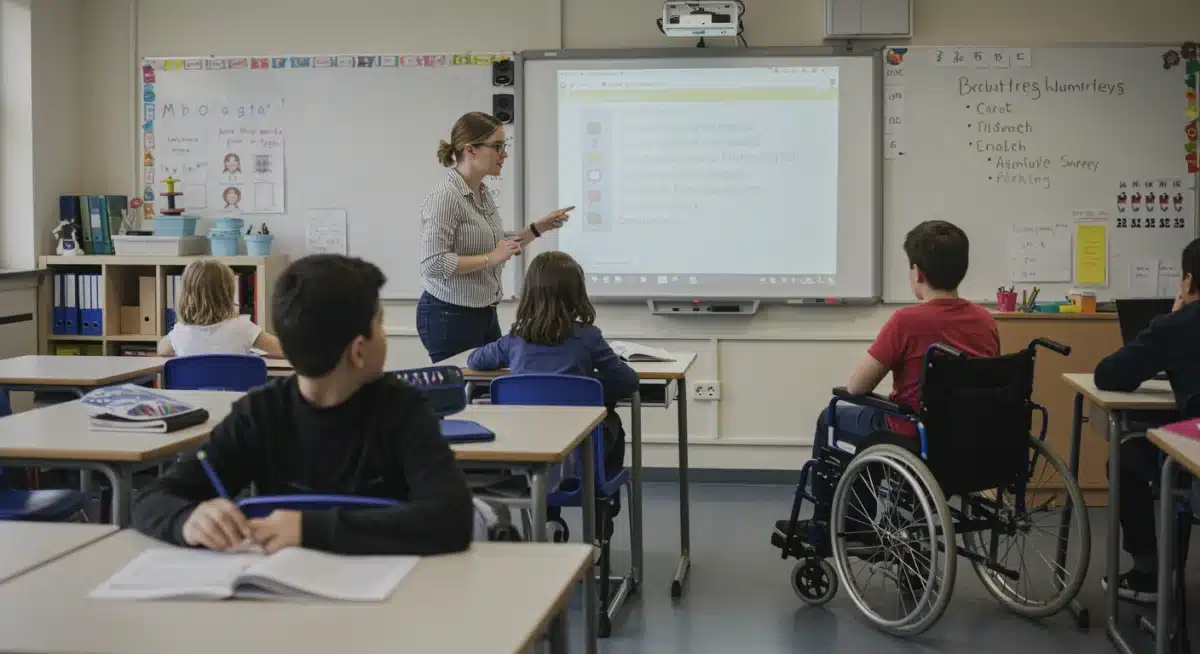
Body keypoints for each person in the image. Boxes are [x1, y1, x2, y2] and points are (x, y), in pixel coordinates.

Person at [134, 254, 475, 555]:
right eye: (380, 325)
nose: (384, 335)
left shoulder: (403, 410)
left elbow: (452, 517)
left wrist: (307, 529)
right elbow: (153, 500)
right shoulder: (259, 415)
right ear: (358, 351)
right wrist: (187, 519)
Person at [825, 220, 999, 448]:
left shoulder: (906, 321)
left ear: (917, 273)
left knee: (830, 416)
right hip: (971, 436)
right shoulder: (986, 320)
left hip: (915, 435)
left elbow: (857, 387)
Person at [417, 111, 574, 362]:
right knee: (463, 396)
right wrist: (491, 258)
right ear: (471, 150)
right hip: (449, 315)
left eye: (505, 146)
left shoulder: (481, 191)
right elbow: (433, 263)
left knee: (488, 393)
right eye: (498, 146)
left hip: (484, 313)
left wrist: (538, 228)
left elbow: (498, 243)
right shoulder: (445, 198)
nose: (505, 154)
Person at [1093, 236, 1200, 602]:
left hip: (1194, 463)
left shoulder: (1177, 325)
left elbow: (1109, 375)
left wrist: (1172, 318)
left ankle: (1148, 575)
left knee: (1127, 455)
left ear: (1187, 280)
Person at [467, 251, 638, 478]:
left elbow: (475, 361)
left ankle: (549, 512)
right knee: (613, 422)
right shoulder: (589, 337)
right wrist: (595, 388)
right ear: (577, 294)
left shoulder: (515, 338)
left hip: (526, 447)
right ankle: (601, 497)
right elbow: (629, 382)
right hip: (580, 448)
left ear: (530, 294)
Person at [157, 259, 284, 358]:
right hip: (237, 392)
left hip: (190, 392)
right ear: (228, 293)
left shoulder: (180, 332)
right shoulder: (243, 328)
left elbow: (161, 350)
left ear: (185, 295)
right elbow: (285, 350)